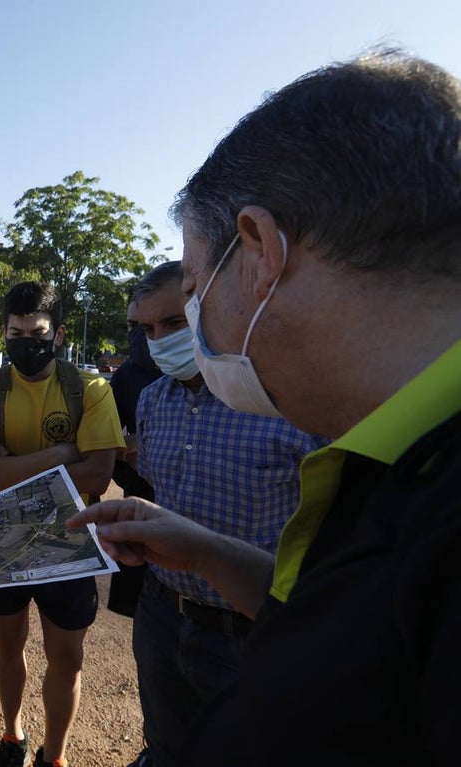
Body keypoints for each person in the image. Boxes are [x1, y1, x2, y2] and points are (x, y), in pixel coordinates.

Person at [69, 51, 461, 764]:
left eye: (192, 287)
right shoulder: (388, 460)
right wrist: (198, 546)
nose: (186, 323)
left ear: (258, 249)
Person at [123, 261, 324, 767]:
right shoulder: (152, 402)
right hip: (163, 614)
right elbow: (157, 488)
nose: (158, 340)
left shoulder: (288, 405)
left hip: (251, 631)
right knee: (167, 747)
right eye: (146, 329)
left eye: (172, 323)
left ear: (203, 310)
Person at [0, 281, 125, 767]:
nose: (26, 342)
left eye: (37, 332)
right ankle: (12, 735)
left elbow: (99, 472)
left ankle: (55, 755)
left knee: (67, 658)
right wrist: (57, 455)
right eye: (15, 332)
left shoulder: (90, 390)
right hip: (5, 539)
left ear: (57, 335)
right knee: (8, 643)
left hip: (70, 542)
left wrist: (12, 463)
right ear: (4, 332)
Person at [103, 290, 162, 618]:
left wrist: (146, 450)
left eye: (152, 326)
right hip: (139, 507)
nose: (141, 336)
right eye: (132, 326)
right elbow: (113, 446)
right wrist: (131, 464)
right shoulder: (125, 377)